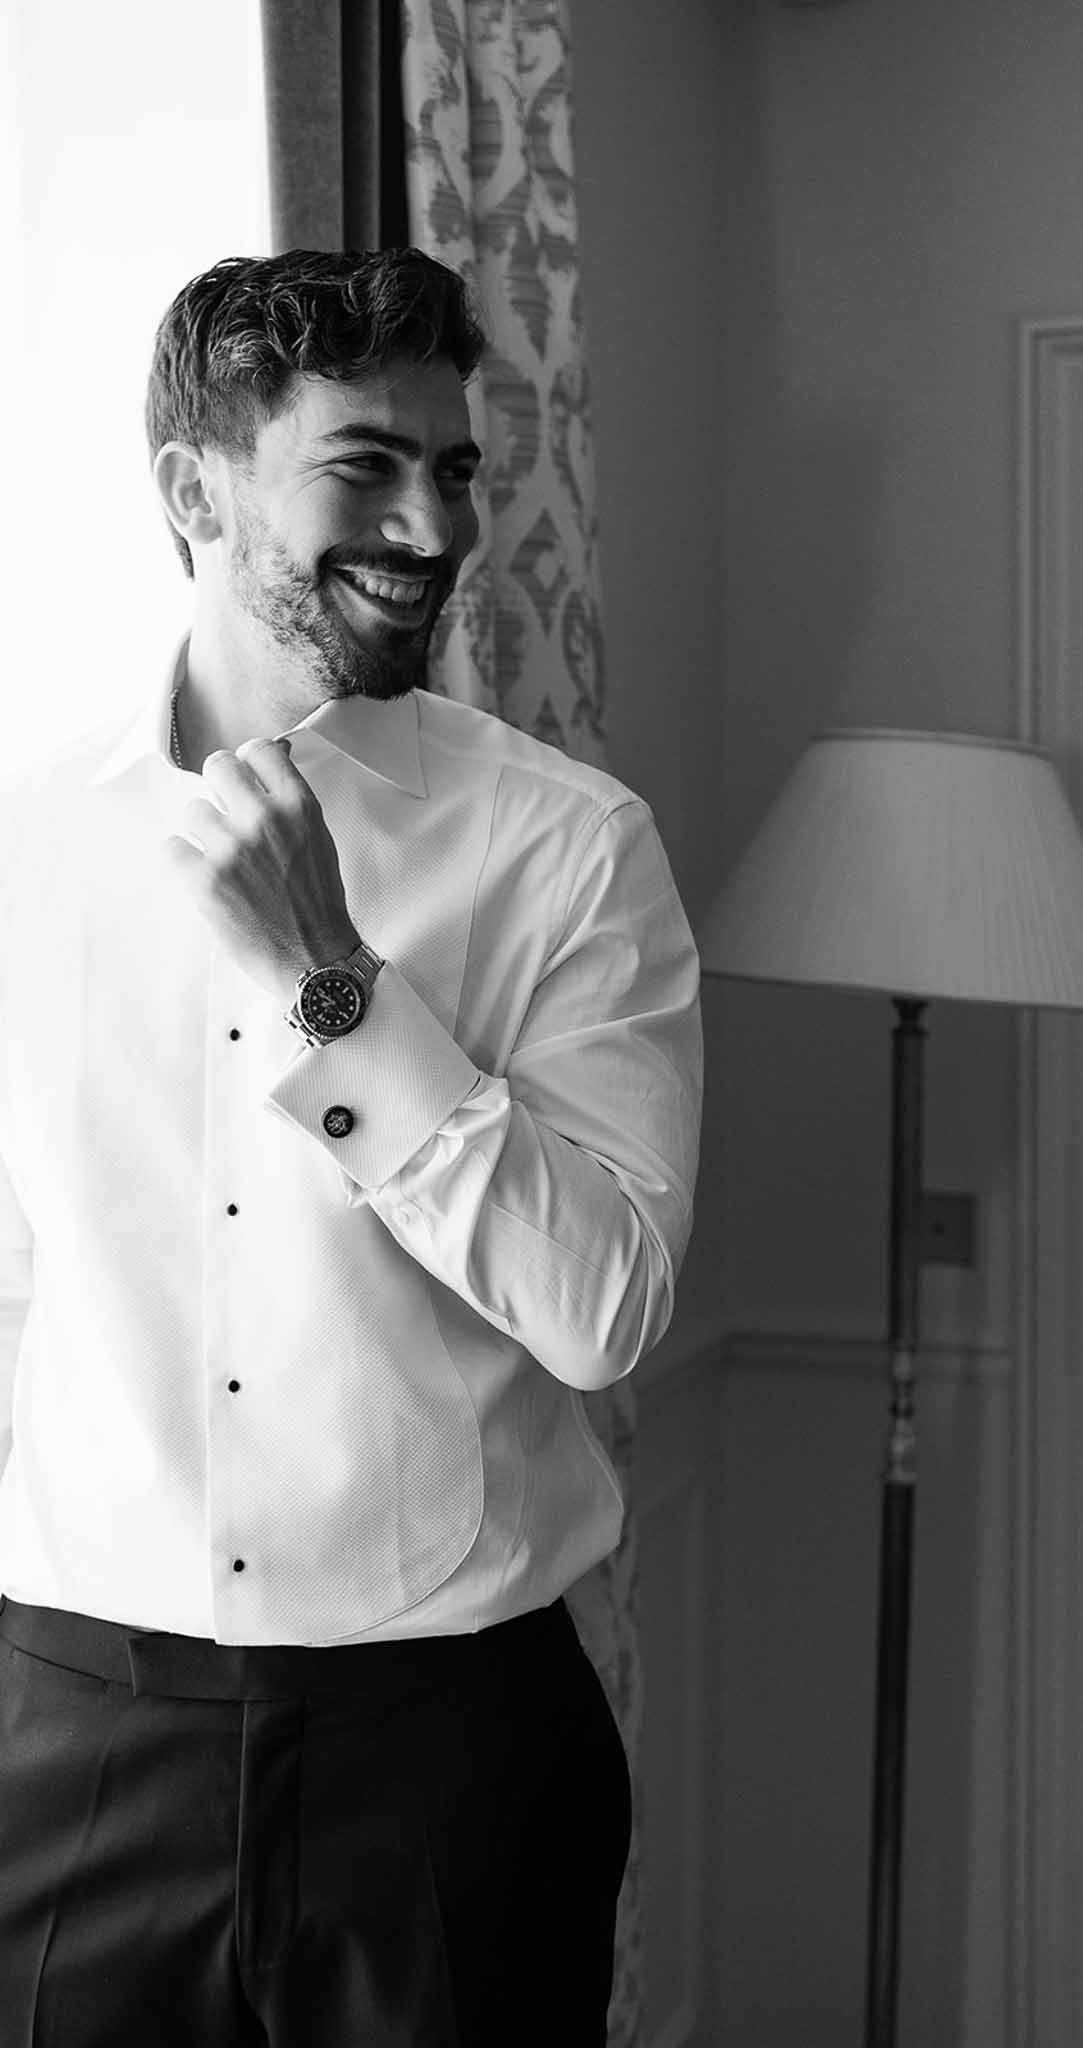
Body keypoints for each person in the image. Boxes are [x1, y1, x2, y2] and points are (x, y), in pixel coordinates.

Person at [0, 247, 702, 2046]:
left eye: (454, 467)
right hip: (68, 1752)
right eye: (364, 465)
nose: (431, 520)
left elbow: (602, 1308)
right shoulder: (24, 849)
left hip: (448, 1772)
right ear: (195, 489)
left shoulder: (569, 849)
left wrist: (335, 985)